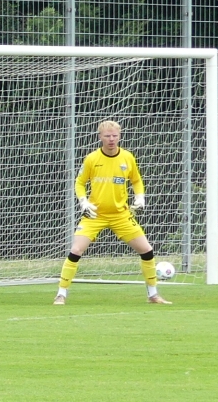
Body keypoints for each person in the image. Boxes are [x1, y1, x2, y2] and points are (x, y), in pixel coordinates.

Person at [55, 120, 170, 305]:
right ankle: (61, 294)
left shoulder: (127, 157)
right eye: (107, 136)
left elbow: (136, 180)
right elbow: (80, 183)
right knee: (76, 250)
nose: (111, 139)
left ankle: (153, 295)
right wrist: (83, 201)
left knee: (146, 250)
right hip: (95, 215)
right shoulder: (92, 158)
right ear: (100, 137)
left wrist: (140, 197)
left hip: (121, 215)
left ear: (119, 136)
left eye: (114, 136)